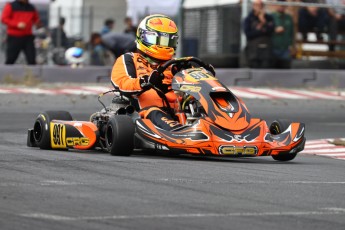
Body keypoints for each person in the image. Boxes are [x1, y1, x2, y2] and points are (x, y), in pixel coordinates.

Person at [111, 14, 214, 131]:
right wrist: (145, 81)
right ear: (143, 37)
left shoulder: (175, 65)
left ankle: (229, 128)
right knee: (155, 112)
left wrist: (203, 74)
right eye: (157, 40)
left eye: (167, 41)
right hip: (145, 115)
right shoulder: (129, 59)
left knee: (206, 107)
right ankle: (180, 133)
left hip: (180, 113)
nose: (163, 45)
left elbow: (195, 88)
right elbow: (122, 83)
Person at [1, 0, 40, 65]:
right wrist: (17, 24)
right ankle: (7, 74)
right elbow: (4, 19)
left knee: (32, 60)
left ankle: (31, 74)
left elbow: (36, 19)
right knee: (11, 59)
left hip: (28, 37)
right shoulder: (10, 6)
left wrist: (38, 24)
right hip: (14, 37)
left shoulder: (31, 8)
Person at [243, 0, 275, 68]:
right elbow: (248, 34)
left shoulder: (269, 18)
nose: (259, 7)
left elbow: (271, 31)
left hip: (267, 52)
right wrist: (260, 30)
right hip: (253, 51)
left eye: (261, 6)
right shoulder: (248, 19)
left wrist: (264, 21)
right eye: (257, 5)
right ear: (253, 6)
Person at [271, 0, 294, 69]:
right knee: (273, 69)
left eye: (283, 5)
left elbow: (291, 33)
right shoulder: (271, 17)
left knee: (285, 69)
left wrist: (292, 45)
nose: (282, 7)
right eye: (280, 4)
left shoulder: (288, 18)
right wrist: (274, 30)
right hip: (273, 47)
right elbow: (266, 30)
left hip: (285, 48)